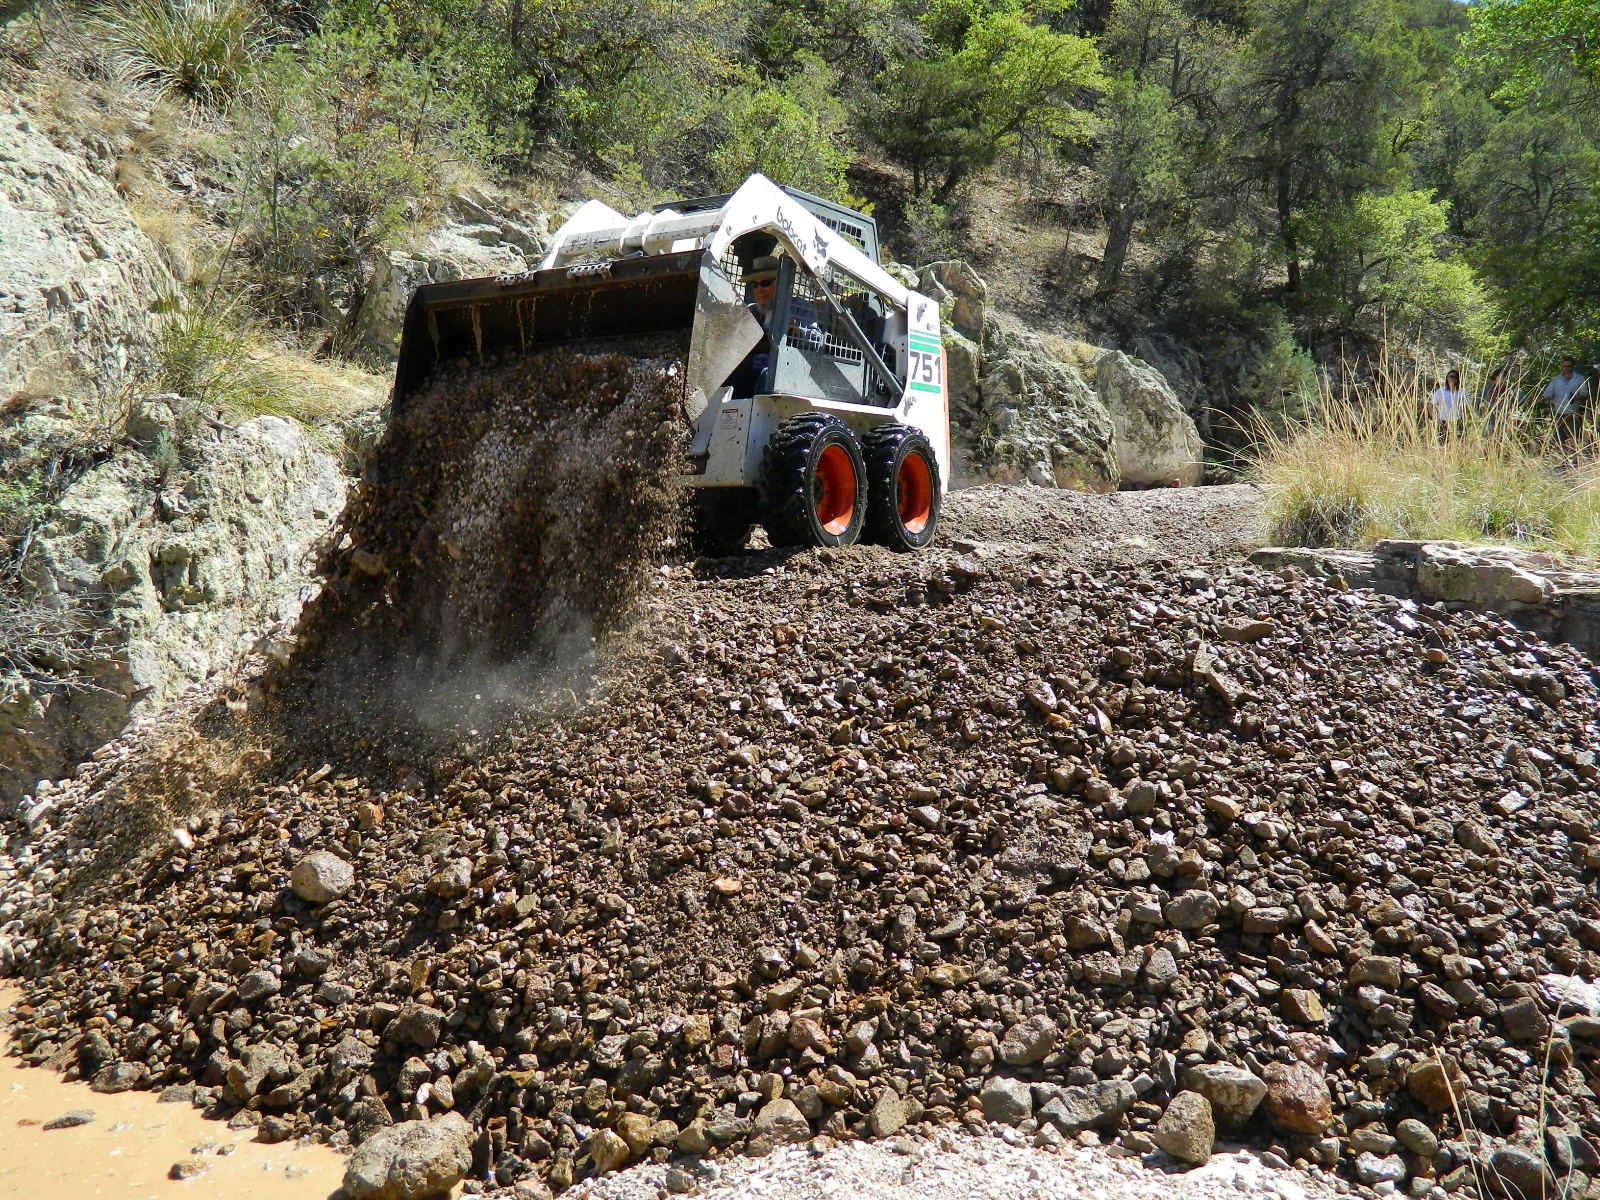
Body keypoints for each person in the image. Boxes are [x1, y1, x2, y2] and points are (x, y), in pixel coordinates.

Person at [726, 254, 827, 397]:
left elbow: (817, 342)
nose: (759, 290)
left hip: (785, 372)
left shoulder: (799, 307)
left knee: (766, 375)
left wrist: (797, 332)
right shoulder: (752, 312)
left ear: (781, 283)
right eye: (755, 285)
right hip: (751, 371)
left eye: (765, 283)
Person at [1542, 357, 1591, 442]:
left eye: (1569, 366)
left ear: (1573, 366)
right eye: (1564, 366)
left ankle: (1574, 454)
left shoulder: (1580, 378)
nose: (1567, 368)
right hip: (1558, 412)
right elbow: (1548, 393)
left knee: (1574, 438)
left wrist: (1576, 396)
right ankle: (1560, 454)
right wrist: (1544, 398)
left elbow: (1585, 395)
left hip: (1573, 412)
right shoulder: (1556, 379)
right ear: (1561, 367)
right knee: (1558, 438)